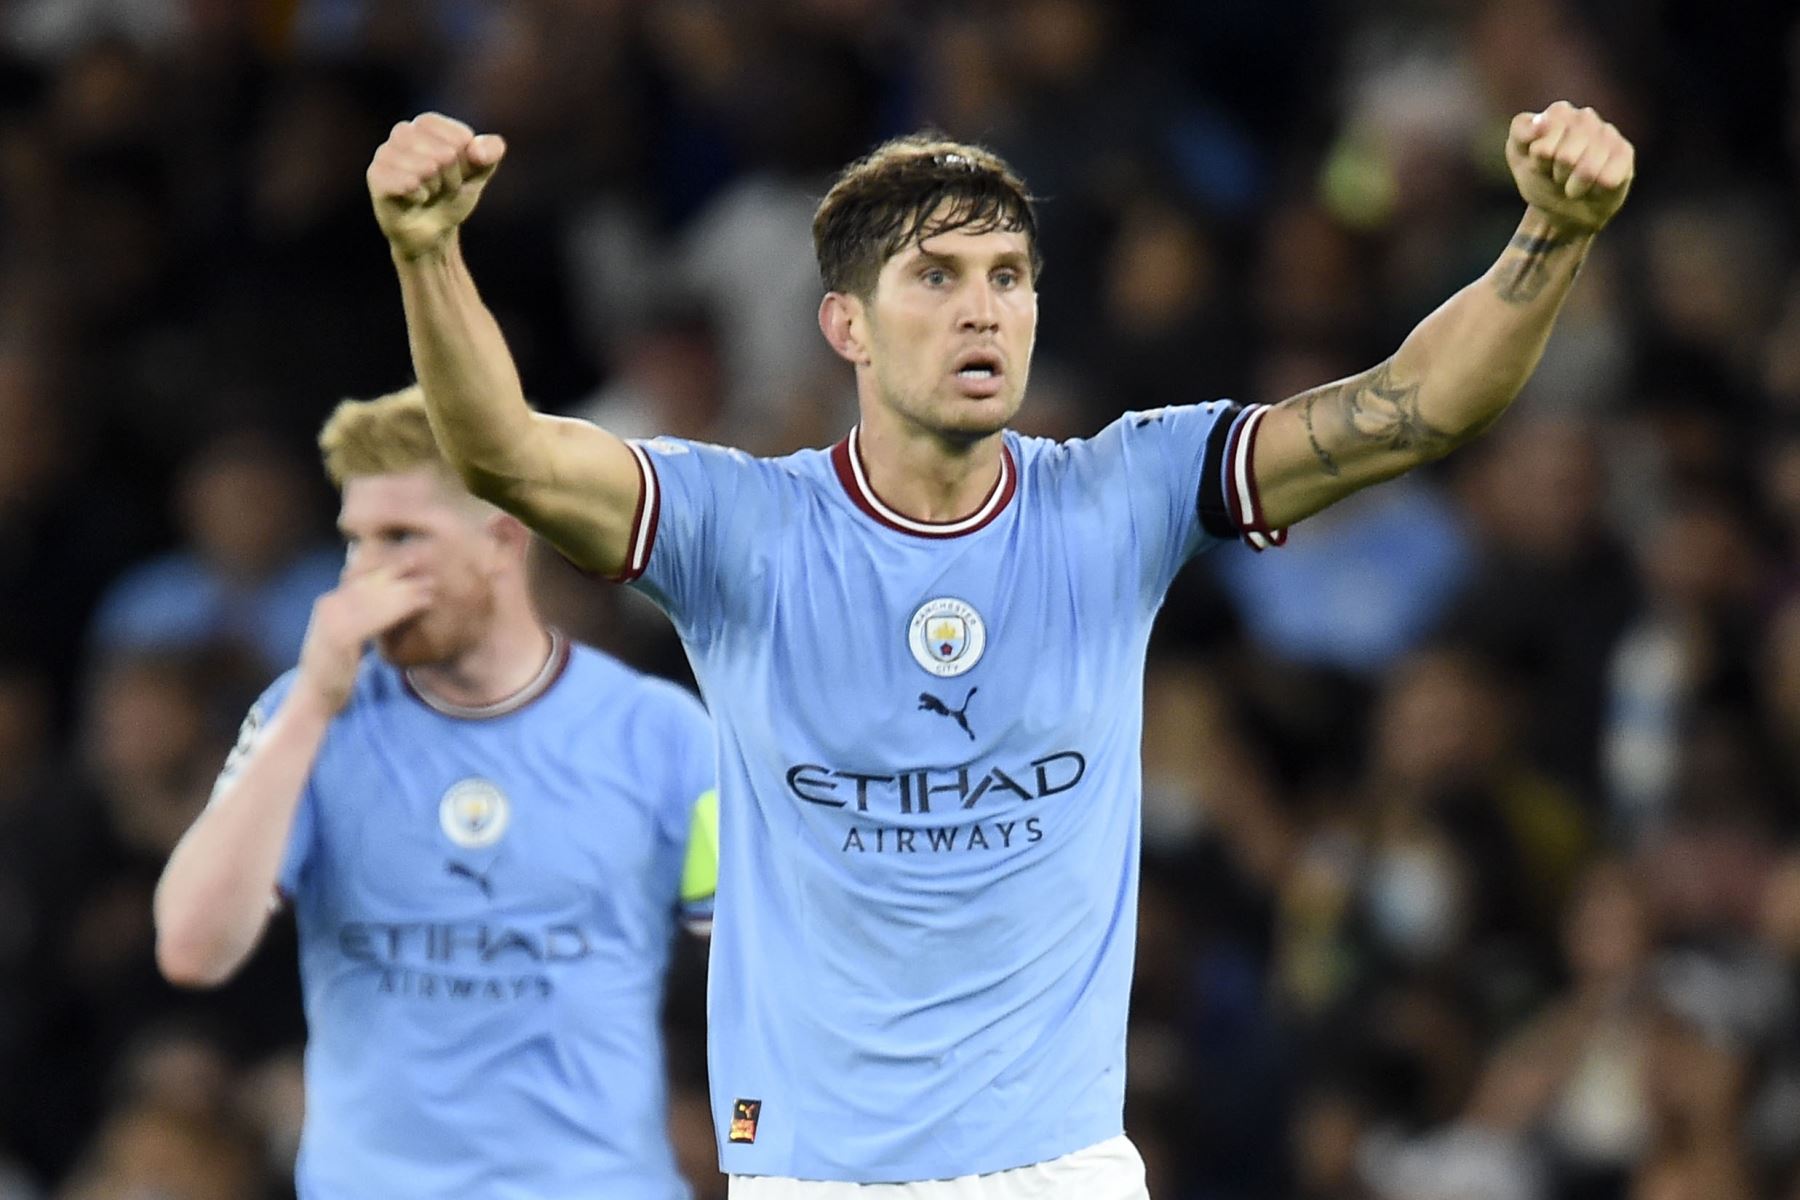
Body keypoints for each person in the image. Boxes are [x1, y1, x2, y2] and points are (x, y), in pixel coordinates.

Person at [365, 102, 1634, 1197]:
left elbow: (1417, 409)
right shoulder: (738, 528)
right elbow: (506, 454)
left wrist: (1552, 234)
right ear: (846, 326)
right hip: (816, 1171)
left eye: (1010, 276)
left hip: (1064, 1167)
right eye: (938, 277)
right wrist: (428, 254)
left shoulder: (1122, 493)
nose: (985, 309)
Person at [151, 385, 719, 1199]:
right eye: (356, 543)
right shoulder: (305, 718)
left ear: (500, 540)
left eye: (401, 539)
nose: (365, 576)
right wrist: (312, 703)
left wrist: (737, 1140)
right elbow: (192, 947)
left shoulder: (657, 735)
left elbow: (761, 973)